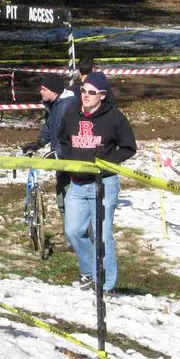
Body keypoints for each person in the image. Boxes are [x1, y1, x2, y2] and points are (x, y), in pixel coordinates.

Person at [58, 71, 136, 294]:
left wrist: (105, 163)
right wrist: (69, 159)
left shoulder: (114, 117)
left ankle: (106, 284)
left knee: (102, 235)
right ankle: (89, 272)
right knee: (73, 231)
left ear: (102, 95)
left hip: (104, 184)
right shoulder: (71, 113)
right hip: (76, 183)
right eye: (83, 90)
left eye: (91, 92)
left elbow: (129, 147)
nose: (86, 95)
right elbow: (63, 139)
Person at [21, 74, 75, 218]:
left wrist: (58, 152)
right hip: (61, 160)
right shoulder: (54, 105)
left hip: (72, 161)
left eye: (44, 89)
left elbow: (69, 136)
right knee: (63, 202)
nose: (41, 92)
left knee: (72, 205)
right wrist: (38, 144)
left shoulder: (66, 106)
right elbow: (50, 127)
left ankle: (81, 239)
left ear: (55, 91)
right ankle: (70, 239)